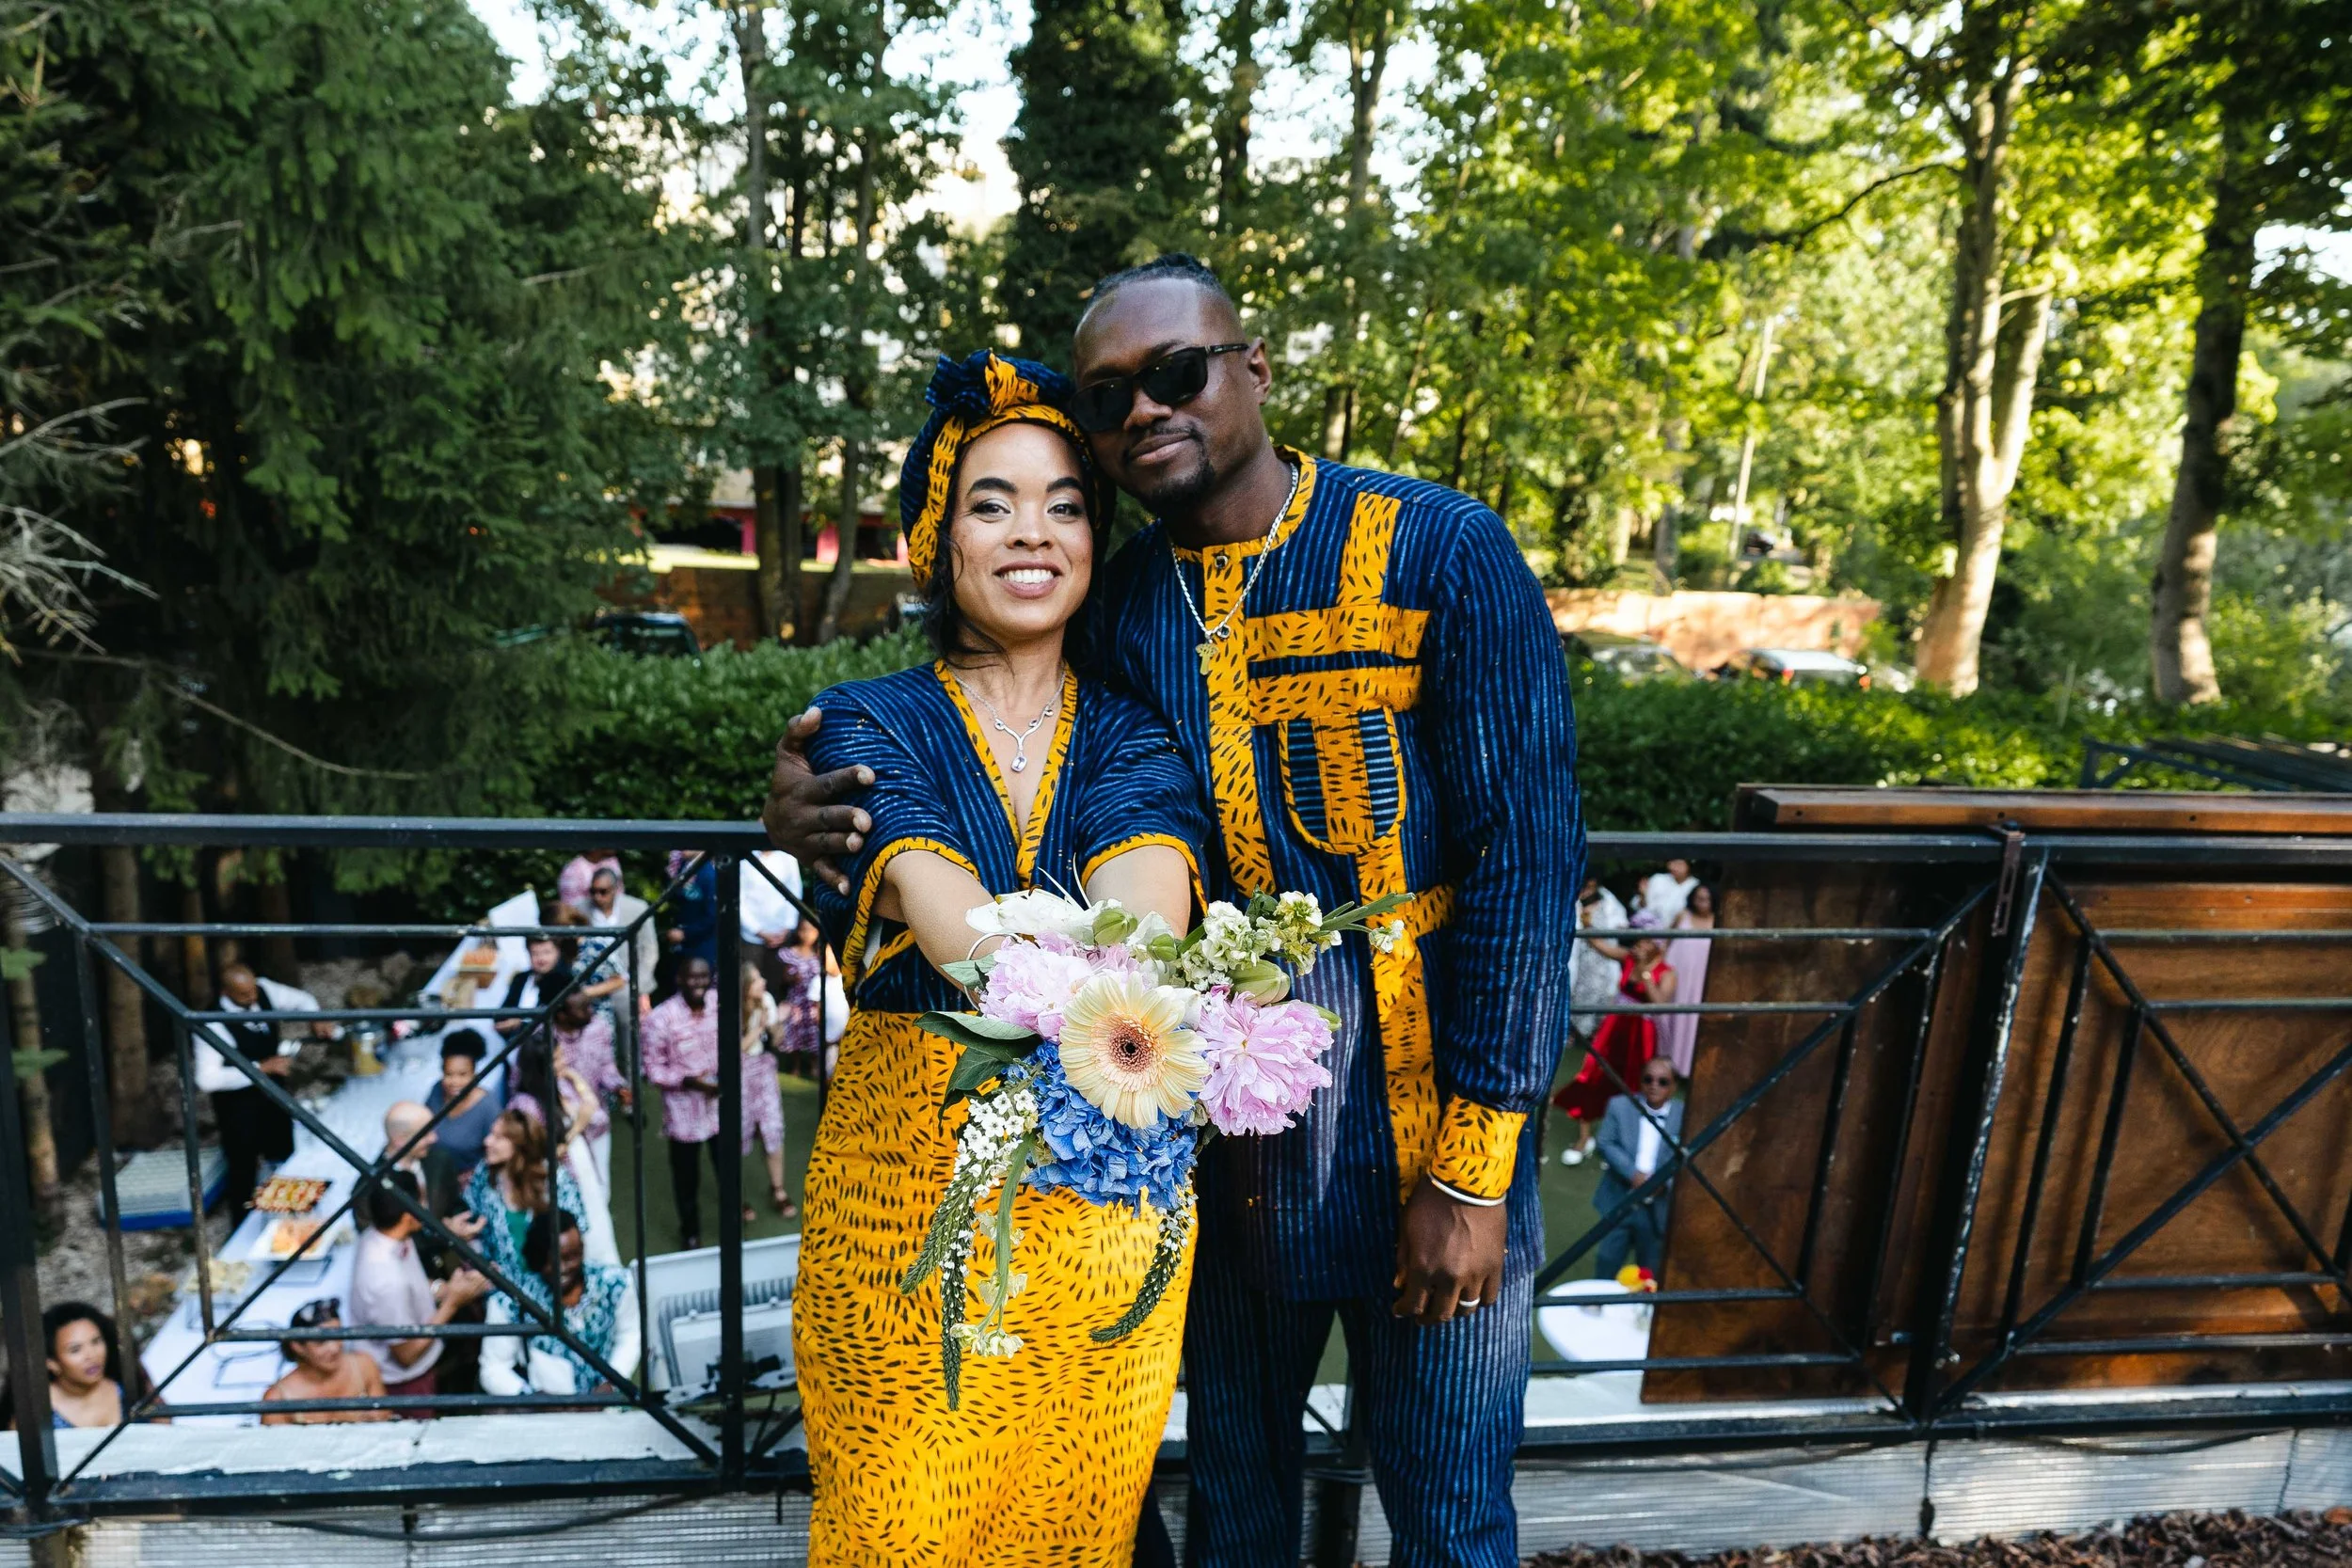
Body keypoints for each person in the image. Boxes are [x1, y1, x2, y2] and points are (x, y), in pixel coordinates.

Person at [766, 261, 1581, 1568]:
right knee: (1231, 1514)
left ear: (1252, 367)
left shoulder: (1445, 548)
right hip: (1214, 1155)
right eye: (1109, 395)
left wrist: (1473, 1171)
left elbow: (1529, 864)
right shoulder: (1126, 596)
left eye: (1178, 371)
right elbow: (987, 739)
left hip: (1422, 1132)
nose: (1147, 406)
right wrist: (802, 801)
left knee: (1452, 1515)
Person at [770, 349, 1211, 1563]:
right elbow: (956, 933)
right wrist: (1090, 958)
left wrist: (1090, 959)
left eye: (1067, 503)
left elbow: (1148, 943)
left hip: (1103, 1214)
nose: (1035, 531)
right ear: (937, 535)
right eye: (993, 499)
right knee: (893, 1529)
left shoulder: (1136, 730)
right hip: (900, 1206)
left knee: (1073, 1532)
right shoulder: (864, 718)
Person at [195, 962, 331, 1215]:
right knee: (243, 1167)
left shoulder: (265, 990)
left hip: (275, 1095)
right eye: (245, 995)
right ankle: (242, 1229)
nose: (253, 997)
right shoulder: (211, 1024)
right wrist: (259, 1068)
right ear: (226, 993)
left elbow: (303, 1000)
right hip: (238, 1107)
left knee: (285, 1154)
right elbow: (207, 1079)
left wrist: (315, 1018)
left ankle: (292, 1217)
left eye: (253, 990)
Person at [347, 1172, 491, 1406]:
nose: (426, 1207)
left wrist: (443, 1289)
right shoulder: (385, 1282)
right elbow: (407, 1354)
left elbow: (412, 1286)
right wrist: (452, 1303)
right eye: (421, 1202)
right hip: (405, 1381)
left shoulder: (385, 1235)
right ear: (408, 1216)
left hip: (426, 1354)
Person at [479, 1210, 641, 1398]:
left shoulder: (615, 1284)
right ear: (537, 1259)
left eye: (571, 1257)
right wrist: (533, 1398)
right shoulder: (512, 1299)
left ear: (581, 1249)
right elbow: (493, 1368)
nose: (562, 1269)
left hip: (608, 1411)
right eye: (552, 1261)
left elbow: (630, 1335)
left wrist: (611, 1385)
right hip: (545, 1419)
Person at [1555, 914, 1677, 1164]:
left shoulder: (1668, 973)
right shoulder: (1628, 958)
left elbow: (1659, 1003)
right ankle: (1583, 1138)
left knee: (1634, 1085)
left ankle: (1623, 1144)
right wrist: (1588, 926)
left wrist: (1644, 972)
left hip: (1641, 1033)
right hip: (1614, 1026)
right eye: (1638, 940)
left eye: (1645, 942)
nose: (1639, 945)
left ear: (1657, 945)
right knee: (1594, 1075)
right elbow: (1600, 946)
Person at [462, 1108, 614, 1292]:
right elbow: (470, 1219)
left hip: (552, 1288)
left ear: (520, 1145)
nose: (487, 1141)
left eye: (498, 1137)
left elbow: (576, 1231)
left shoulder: (556, 1181)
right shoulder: (485, 1175)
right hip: (503, 1289)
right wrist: (483, 1263)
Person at [640, 954, 732, 1247]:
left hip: (721, 1107)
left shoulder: (721, 1004)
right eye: (692, 977)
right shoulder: (660, 1018)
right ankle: (690, 1232)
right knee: (686, 1178)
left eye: (704, 976)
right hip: (683, 1114)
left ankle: (732, 1225)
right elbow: (652, 1070)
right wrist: (688, 1080)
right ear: (679, 979)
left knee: (728, 1170)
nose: (698, 983)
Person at [1592, 1060, 1684, 1280]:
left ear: (1673, 1087)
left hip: (1658, 1208)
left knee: (1651, 1269)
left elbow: (1689, 1157)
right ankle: (1597, 1304)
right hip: (1620, 1199)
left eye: (1663, 1082)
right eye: (1648, 1079)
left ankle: (1643, 1311)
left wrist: (1663, 1182)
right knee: (1607, 1260)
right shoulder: (1620, 1106)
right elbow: (1605, 1142)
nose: (1654, 1085)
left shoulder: (1685, 1115)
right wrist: (1633, 1174)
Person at [0, 1303, 137, 1430]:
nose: (91, 1355)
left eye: (96, 1342)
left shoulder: (129, 1386)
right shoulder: (35, 1412)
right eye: (75, 1349)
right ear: (51, 1363)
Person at [261, 1298, 391, 1425]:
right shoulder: (277, 1398)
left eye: (337, 1336)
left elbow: (383, 1423)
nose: (334, 1348)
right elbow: (274, 1445)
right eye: (321, 1341)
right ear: (298, 1347)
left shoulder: (364, 1366)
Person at [547, 990, 628, 1189]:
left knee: (600, 1182)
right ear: (561, 1015)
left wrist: (619, 1088)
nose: (591, 1012)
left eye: (589, 1005)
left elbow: (607, 1066)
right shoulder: (541, 1038)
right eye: (582, 1009)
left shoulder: (599, 1027)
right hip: (561, 1128)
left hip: (596, 1122)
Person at [739, 967, 796, 1218]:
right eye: (756, 979)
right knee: (740, 1132)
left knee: (772, 1128)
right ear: (744, 986)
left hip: (763, 1069)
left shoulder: (767, 1000)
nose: (763, 981)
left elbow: (775, 1041)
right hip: (738, 1073)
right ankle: (737, 1197)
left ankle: (778, 1190)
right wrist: (759, 1025)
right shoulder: (730, 1006)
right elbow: (735, 1050)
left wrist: (778, 1023)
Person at [423, 1030, 504, 1178]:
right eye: (449, 1074)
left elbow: (498, 1155)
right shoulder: (437, 1090)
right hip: (432, 1171)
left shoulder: (488, 1107)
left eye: (462, 1075)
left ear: (474, 1073)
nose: (454, 1082)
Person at [1655, 883, 1715, 1080]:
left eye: (1706, 898)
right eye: (1698, 897)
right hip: (1676, 976)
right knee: (1671, 1016)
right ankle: (1666, 1062)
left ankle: (1687, 1069)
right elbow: (1666, 942)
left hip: (1701, 979)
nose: (1702, 902)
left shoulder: (1718, 921)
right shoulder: (1683, 916)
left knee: (1693, 1020)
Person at [1570, 874, 1629, 1047]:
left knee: (1601, 996)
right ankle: (1576, 1035)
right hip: (1578, 961)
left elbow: (1620, 926)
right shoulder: (1570, 902)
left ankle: (1594, 1037)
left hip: (1603, 961)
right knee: (1578, 995)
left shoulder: (1609, 903)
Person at [495, 927, 574, 1037]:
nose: (541, 959)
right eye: (535, 953)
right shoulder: (521, 978)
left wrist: (520, 1023)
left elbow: (558, 1017)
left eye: (547, 952)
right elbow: (503, 1012)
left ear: (558, 952)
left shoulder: (565, 979)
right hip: (516, 1046)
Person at [1639, 857, 1699, 928]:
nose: (1673, 867)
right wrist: (1643, 895)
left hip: (1682, 932)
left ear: (1688, 866)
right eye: (1671, 862)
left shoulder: (1696, 885)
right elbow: (1644, 908)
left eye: (1678, 864)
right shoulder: (1658, 879)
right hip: (1651, 929)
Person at [557, 849, 622, 914]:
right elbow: (570, 910)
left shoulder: (612, 862)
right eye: (593, 891)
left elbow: (619, 894)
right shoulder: (572, 871)